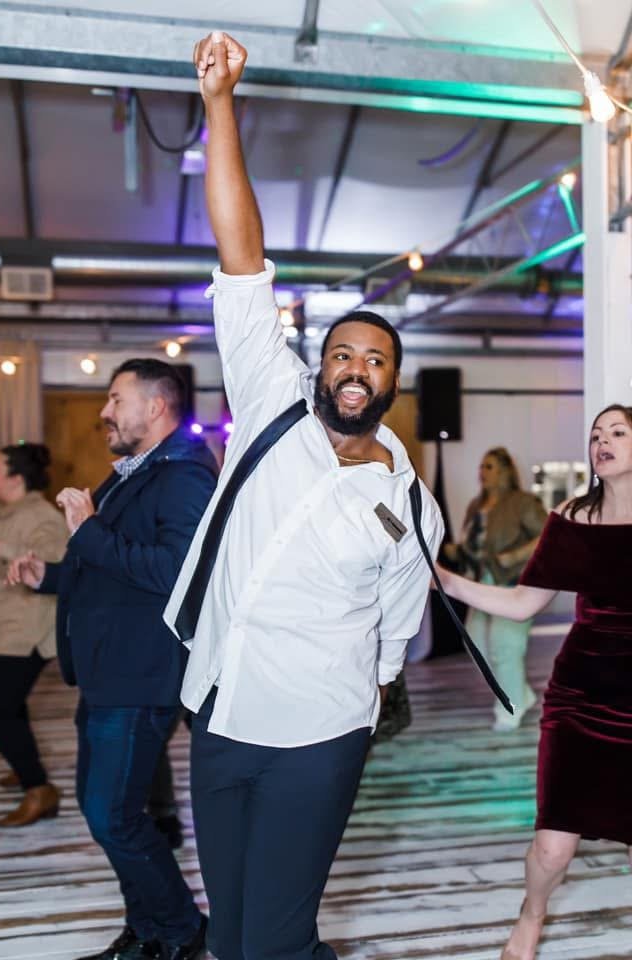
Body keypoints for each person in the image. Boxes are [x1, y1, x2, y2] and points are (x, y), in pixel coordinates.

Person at [162, 32, 443, 960]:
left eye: (377, 360)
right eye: (343, 353)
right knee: (231, 935)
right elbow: (243, 254)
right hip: (218, 711)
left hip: (316, 737)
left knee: (276, 942)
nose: (357, 370)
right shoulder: (270, 400)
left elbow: (396, 632)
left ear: (393, 384)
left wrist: (365, 700)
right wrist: (219, 106)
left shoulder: (406, 500)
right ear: (317, 364)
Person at [8, 359, 218, 960]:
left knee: (112, 815)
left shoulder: (183, 476)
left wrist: (90, 530)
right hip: (108, 671)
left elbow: (177, 574)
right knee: (106, 812)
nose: (104, 412)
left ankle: (180, 930)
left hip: (141, 672)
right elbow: (102, 563)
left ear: (155, 407)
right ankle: (148, 931)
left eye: (114, 399)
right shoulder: (130, 474)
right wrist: (48, 575)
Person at [436, 403, 632, 960]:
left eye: (618, 432)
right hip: (582, 697)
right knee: (552, 847)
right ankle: (531, 915)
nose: (603, 441)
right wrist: (447, 580)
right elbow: (522, 603)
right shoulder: (572, 517)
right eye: (597, 434)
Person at [444, 447, 547, 730]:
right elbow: (473, 543)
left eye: (488, 466)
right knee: (475, 643)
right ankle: (521, 694)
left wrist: (514, 556)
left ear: (504, 471)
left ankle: (510, 708)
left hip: (512, 584)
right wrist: (455, 551)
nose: (482, 472)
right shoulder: (477, 505)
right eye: (481, 466)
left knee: (506, 647)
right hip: (480, 583)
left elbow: (548, 535)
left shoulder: (522, 502)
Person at [0, 442, 67, 826]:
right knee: (7, 706)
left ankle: (40, 789)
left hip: (28, 632)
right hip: (5, 627)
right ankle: (25, 767)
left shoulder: (41, 515)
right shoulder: (7, 511)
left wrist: (0, 545)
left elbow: (53, 562)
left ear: (17, 479)